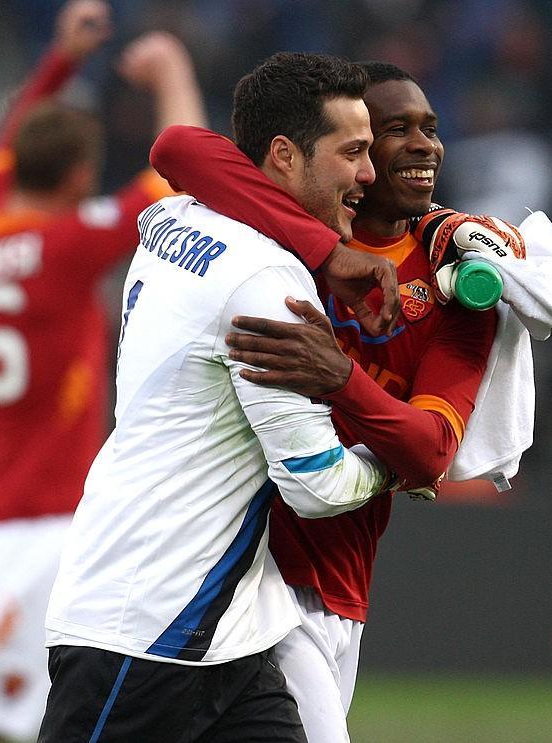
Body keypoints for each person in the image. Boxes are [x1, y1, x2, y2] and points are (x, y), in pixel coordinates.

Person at [37, 52, 397, 743]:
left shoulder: (172, 218)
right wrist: (393, 457)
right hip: (142, 632)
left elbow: (191, 154)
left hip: (229, 639)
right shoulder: (267, 285)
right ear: (285, 156)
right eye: (352, 152)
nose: (369, 175)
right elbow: (317, 484)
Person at [150, 61, 501, 742]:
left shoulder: (459, 286)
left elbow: (431, 450)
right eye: (385, 133)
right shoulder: (278, 231)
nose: (421, 145)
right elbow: (175, 149)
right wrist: (327, 252)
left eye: (429, 128)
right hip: (254, 571)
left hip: (345, 583)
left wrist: (342, 376)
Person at [0, 3, 210, 742]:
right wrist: (172, 72)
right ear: (80, 175)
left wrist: (59, 59)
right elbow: (181, 177)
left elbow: (10, 128)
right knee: (43, 714)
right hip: (57, 516)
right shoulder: (65, 245)